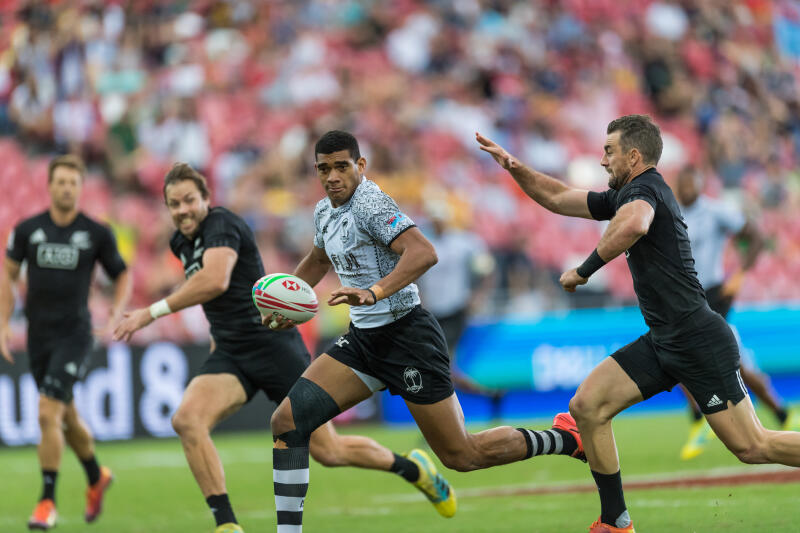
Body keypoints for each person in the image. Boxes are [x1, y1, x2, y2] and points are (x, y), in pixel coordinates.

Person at [476, 114, 800, 533]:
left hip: (697, 337)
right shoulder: (625, 194)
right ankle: (616, 522)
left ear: (633, 156)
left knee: (753, 446)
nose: (602, 160)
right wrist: (515, 166)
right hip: (665, 339)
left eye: (608, 151)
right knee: (587, 406)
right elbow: (557, 197)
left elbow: (635, 224)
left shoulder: (645, 189)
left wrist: (584, 270)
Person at [267, 130, 585, 533]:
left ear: (360, 166)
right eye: (324, 169)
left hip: (407, 337)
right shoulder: (323, 211)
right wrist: (287, 298)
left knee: (462, 455)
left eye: (341, 166)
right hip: (363, 340)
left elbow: (423, 252)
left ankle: (564, 438)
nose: (332, 176)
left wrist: (374, 292)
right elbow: (317, 259)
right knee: (288, 421)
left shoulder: (370, 204)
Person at [112, 163, 456, 533]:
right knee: (187, 420)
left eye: (189, 200)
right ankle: (227, 525)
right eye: (174, 204)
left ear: (206, 199)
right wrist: (217, 339)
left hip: (275, 348)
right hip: (231, 353)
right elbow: (218, 302)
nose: (182, 210)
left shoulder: (222, 224)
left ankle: (414, 470)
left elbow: (216, 280)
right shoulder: (180, 243)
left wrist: (150, 312)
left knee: (328, 451)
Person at [0, 154, 130, 530]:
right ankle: (96, 476)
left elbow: (122, 275)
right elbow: (8, 275)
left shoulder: (96, 233)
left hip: (75, 335)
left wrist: (117, 309)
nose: (67, 188)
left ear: (81, 187)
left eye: (73, 182)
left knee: (46, 412)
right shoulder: (27, 231)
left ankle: (46, 501)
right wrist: (3, 322)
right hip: (39, 337)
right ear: (49, 185)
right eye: (61, 181)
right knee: (66, 417)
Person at [675, 165, 797, 459]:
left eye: (692, 183)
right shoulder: (673, 214)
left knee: (689, 354)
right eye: (683, 184)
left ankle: (702, 420)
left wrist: (739, 274)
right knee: (681, 355)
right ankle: (778, 413)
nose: (687, 188)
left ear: (700, 184)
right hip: (687, 297)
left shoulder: (715, 211)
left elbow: (755, 237)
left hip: (714, 295)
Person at [416, 202, 502, 412]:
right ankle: (487, 394)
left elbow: (488, 270)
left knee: (440, 364)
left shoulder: (464, 243)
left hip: (455, 310)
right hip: (432, 313)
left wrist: (478, 297)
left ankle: (449, 413)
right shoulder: (423, 242)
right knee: (441, 366)